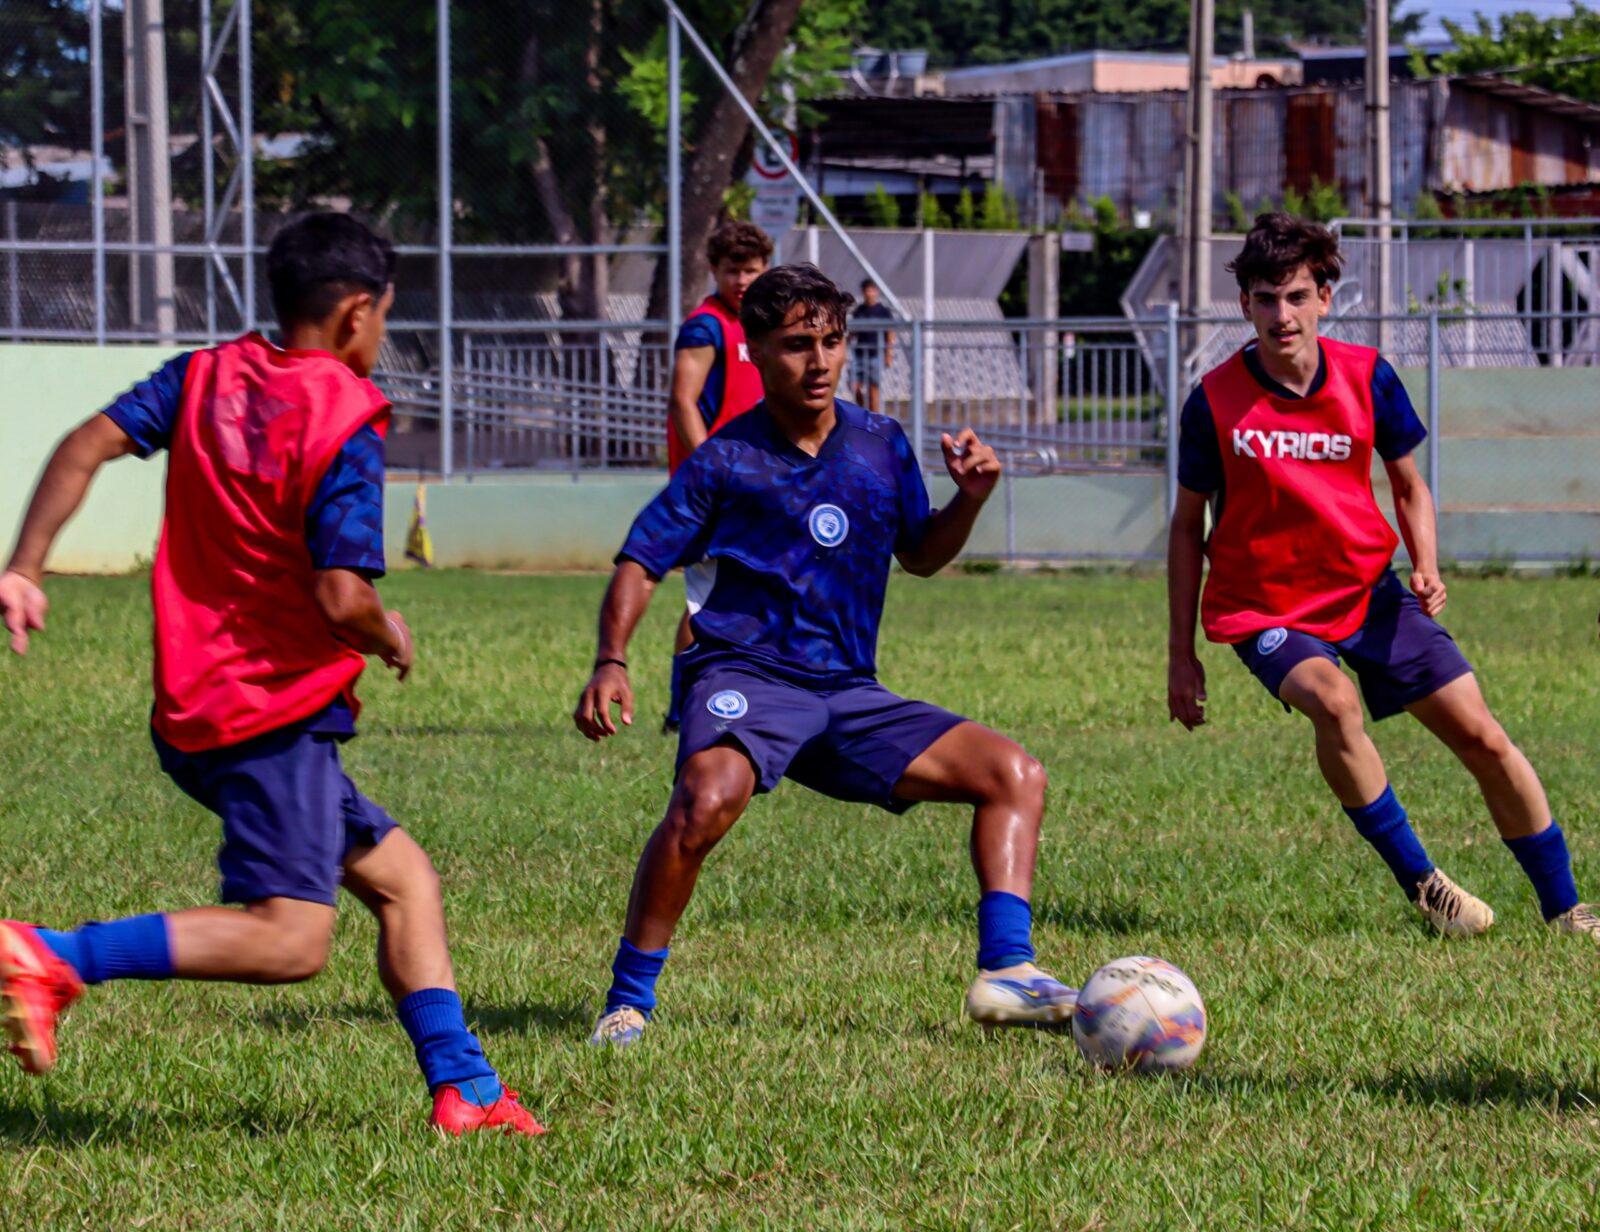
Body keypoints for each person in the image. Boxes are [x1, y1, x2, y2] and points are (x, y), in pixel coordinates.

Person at [0, 213, 544, 1134]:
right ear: (359, 312)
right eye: (384, 319)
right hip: (269, 713)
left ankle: (469, 1092)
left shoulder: (202, 375)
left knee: (404, 880)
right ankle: (52, 956)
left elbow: (84, 444)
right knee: (291, 939)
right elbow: (341, 598)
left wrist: (26, 564)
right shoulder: (346, 414)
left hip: (197, 701)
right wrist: (389, 633)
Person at [575, 264, 1078, 1048]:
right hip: (745, 676)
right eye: (797, 345)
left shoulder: (880, 444)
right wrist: (613, 659)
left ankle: (1008, 972)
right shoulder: (724, 461)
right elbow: (640, 561)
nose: (819, 362)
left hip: (846, 695)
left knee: (1014, 776)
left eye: (833, 342)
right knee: (705, 800)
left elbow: (920, 555)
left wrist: (970, 501)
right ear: (757, 352)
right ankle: (627, 1002)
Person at [1167, 212, 1597, 940]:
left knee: (1485, 739)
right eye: (1265, 298)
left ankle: (1568, 910)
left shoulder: (1369, 377)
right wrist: (1181, 656)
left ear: (1325, 298)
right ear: (1244, 305)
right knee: (1333, 702)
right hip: (1266, 609)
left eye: (1297, 296)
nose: (1282, 314)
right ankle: (1427, 887)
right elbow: (1186, 527)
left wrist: (1425, 562)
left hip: (1369, 593)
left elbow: (1409, 486)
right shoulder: (1213, 401)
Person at [662, 220, 774, 733]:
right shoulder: (706, 326)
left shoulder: (760, 325)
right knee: (707, 601)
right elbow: (683, 400)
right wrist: (710, 469)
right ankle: (681, 703)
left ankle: (744, 693)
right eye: (733, 270)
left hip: (755, 484)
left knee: (750, 592)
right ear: (714, 271)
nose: (743, 280)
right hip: (717, 489)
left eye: (752, 270)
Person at [851, 278, 895, 414]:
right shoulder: (859, 311)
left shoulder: (883, 311)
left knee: (873, 388)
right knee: (854, 385)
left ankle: (873, 417)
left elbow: (890, 332)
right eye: (866, 290)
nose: (869, 293)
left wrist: (888, 353)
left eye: (871, 290)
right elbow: (853, 331)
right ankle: (864, 412)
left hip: (876, 354)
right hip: (859, 354)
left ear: (876, 291)